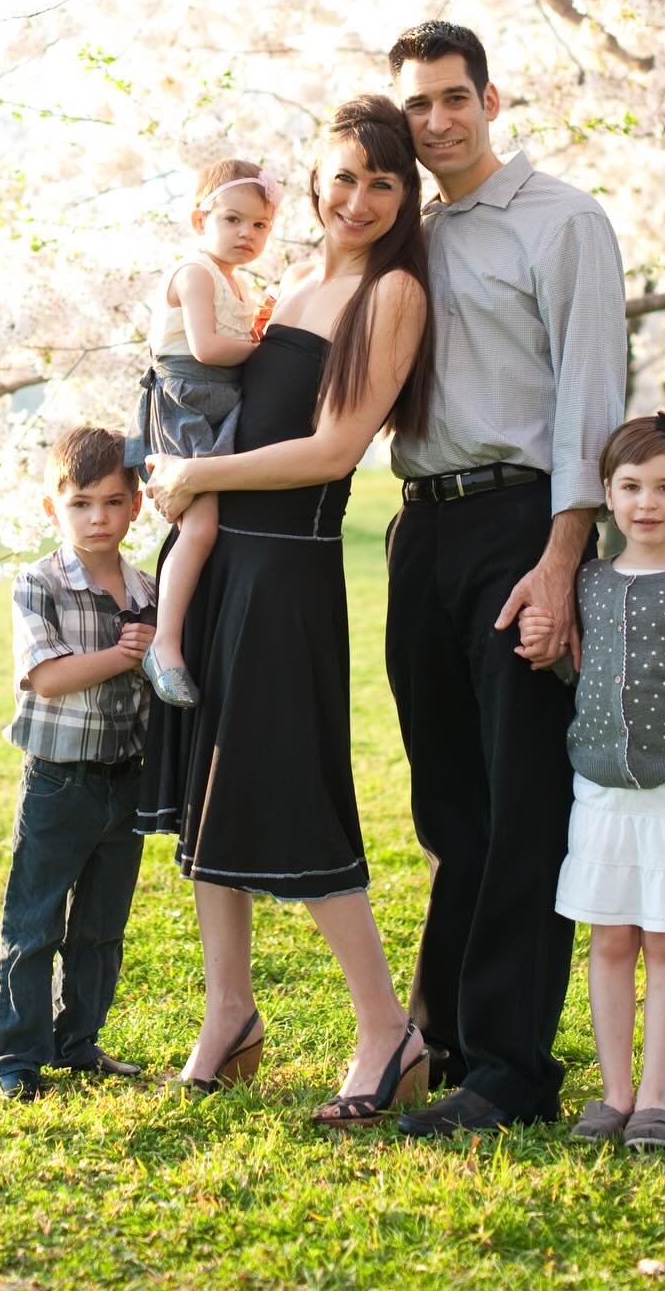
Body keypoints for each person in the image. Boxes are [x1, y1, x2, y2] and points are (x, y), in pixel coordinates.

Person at [141, 95, 436, 1125]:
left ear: (406, 197)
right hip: (222, 558)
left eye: (383, 183)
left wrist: (198, 474)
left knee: (295, 793)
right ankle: (230, 1015)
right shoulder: (289, 279)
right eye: (344, 178)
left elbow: (332, 451)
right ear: (317, 180)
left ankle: (385, 1028)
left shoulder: (391, 295)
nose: (358, 200)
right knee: (207, 791)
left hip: (291, 568)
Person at [383, 20, 628, 1140]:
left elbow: (590, 397)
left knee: (523, 801)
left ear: (491, 98)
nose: (436, 121)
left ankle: (514, 1072)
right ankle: (445, 1043)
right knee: (451, 808)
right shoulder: (410, 235)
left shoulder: (562, 221)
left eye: (452, 99)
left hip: (522, 522)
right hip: (420, 528)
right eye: (417, 105)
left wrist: (563, 562)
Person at [518, 406, 665, 1152]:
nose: (646, 503)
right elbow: (570, 670)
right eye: (630, 487)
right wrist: (542, 645)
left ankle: (656, 1096)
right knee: (610, 940)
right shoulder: (587, 580)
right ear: (607, 497)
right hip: (602, 793)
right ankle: (614, 1093)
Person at [0, 426, 157, 1102]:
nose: (98, 518)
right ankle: (17, 1057)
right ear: (53, 507)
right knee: (34, 924)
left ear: (136, 505)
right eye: (81, 503)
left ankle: (77, 1042)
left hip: (128, 780)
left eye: (113, 502)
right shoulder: (40, 583)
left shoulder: (147, 586)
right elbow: (48, 677)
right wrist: (124, 654)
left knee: (100, 929)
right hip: (60, 781)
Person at [124, 157, 280, 709]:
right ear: (199, 221)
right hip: (186, 402)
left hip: (221, 404)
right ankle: (164, 646)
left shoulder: (239, 283)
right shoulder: (194, 273)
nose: (247, 234)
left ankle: (194, 626)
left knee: (218, 521)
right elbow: (208, 349)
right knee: (203, 526)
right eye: (233, 220)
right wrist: (270, 352)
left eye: (260, 225)